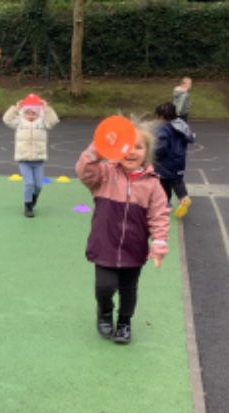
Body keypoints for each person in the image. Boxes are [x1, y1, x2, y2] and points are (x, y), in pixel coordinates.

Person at [75, 117, 170, 344]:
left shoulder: (152, 184)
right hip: (104, 244)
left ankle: (125, 322)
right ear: (118, 149)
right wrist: (98, 148)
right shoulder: (105, 175)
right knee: (104, 287)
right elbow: (84, 171)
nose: (132, 152)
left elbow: (159, 215)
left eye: (138, 147)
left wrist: (159, 243)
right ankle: (105, 312)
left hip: (133, 248)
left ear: (146, 152)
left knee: (129, 289)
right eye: (127, 146)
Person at [3, 94, 60, 218]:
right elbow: (7, 119)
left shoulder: (42, 123)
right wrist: (15, 109)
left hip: (38, 160)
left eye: (34, 113)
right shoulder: (19, 122)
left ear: (38, 114)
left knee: (38, 186)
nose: (31, 116)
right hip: (24, 160)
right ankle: (28, 206)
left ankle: (33, 197)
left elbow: (53, 121)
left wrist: (47, 109)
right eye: (28, 113)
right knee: (28, 183)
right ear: (23, 113)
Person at [154, 101, 195, 219]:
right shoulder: (182, 124)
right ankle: (184, 197)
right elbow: (190, 137)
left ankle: (165, 203)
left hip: (165, 162)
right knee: (177, 181)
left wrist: (154, 156)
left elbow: (161, 148)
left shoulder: (163, 129)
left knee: (163, 182)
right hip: (179, 160)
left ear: (161, 117)